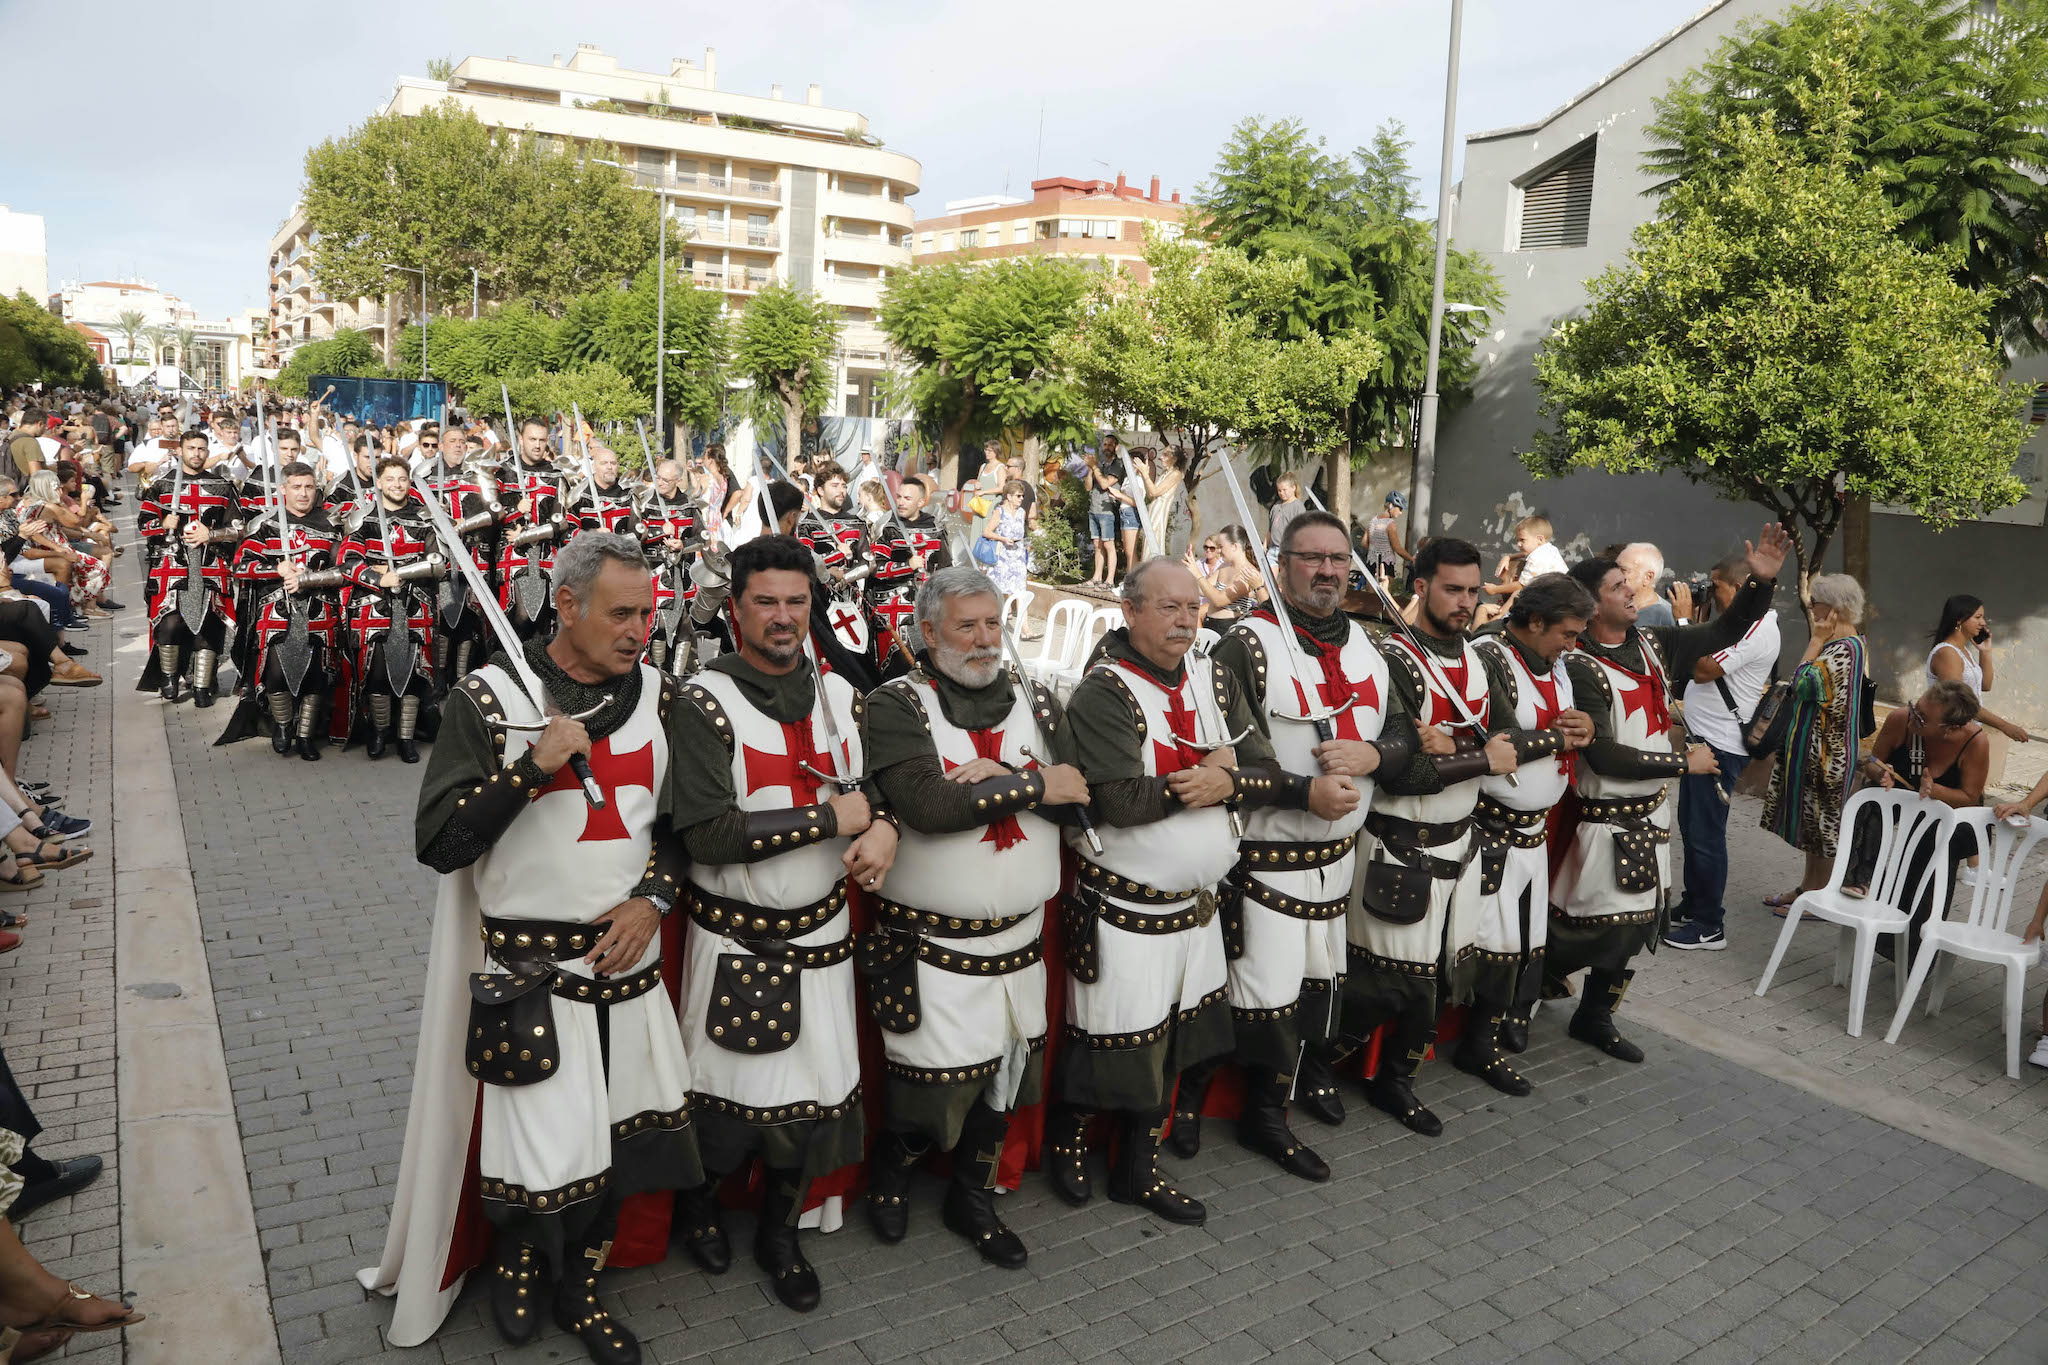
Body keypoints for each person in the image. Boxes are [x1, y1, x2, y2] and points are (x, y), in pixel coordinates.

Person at [365, 532, 699, 1360]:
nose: (640, 629)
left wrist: (653, 899)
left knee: (621, 1138)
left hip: (628, 962)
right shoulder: (487, 699)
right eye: (621, 613)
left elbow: (680, 825)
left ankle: (581, 1282)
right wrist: (531, 768)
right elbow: (440, 843)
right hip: (530, 973)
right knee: (538, 1150)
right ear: (568, 606)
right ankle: (520, 1262)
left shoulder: (661, 694)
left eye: (648, 612)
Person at [1044, 557, 1319, 1226]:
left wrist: (1230, 778)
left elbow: (1262, 768)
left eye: (1192, 607)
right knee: (1113, 1036)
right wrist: (1206, 775)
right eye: (1167, 607)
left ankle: (1140, 1167)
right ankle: (1069, 1144)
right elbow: (1118, 799)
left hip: (1197, 909)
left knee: (1172, 1042)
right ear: (1129, 610)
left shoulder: (1212, 675)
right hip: (1126, 907)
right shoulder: (1104, 691)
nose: (1185, 619)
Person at [669, 534, 889, 1313]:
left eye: (798, 601)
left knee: (813, 1098)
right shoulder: (703, 699)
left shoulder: (841, 690)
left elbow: (879, 786)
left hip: (824, 937)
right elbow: (706, 834)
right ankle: (698, 1208)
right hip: (737, 941)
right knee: (724, 1101)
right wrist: (829, 816)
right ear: (735, 609)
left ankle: (780, 1230)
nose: (784, 616)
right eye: (766, 601)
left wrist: (883, 824)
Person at [860, 567, 1088, 1266]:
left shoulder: (1040, 702)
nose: (986, 639)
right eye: (967, 625)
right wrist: (1028, 783)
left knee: (1003, 1081)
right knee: (930, 1086)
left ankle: (972, 1194)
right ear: (928, 632)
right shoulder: (896, 703)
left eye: (994, 623)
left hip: (1020, 942)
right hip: (931, 947)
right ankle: (891, 1177)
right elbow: (929, 808)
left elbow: (1080, 797)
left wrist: (1005, 782)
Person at [1206, 512, 1406, 1179]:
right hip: (1267, 861)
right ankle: (1259, 1117)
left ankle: (1293, 1090)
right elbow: (1232, 762)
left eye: (1337, 558)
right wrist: (1303, 794)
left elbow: (1406, 742)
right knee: (1263, 996)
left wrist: (1374, 751)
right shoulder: (1246, 644)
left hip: (1338, 861)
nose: (1326, 571)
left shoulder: (1370, 647)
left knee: (1318, 988)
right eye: (1311, 558)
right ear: (1280, 562)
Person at [1554, 526, 1788, 1063]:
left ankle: (1596, 1016)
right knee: (1581, 927)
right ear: (1589, 605)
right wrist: (1683, 763)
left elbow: (1727, 628)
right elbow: (1604, 753)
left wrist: (1761, 582)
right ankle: (1523, 1000)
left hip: (1648, 820)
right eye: (1618, 587)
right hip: (1599, 820)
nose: (1634, 593)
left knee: (1634, 929)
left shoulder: (1652, 645)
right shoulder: (1577, 664)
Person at [1347, 538, 1537, 1134]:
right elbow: (1402, 770)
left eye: (1472, 590)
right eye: (1452, 589)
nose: (1464, 602)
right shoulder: (1392, 657)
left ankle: (1397, 1082)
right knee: (1384, 983)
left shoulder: (1480, 660)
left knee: (1435, 975)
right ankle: (1320, 1067)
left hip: (1462, 841)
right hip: (1399, 841)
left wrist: (1454, 745)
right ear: (1421, 586)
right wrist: (1481, 755)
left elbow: (1514, 740)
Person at [1469, 574, 1597, 1056]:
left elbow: (1574, 723)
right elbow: (1497, 737)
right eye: (1567, 633)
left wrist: (1584, 725)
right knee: (1490, 940)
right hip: (1492, 829)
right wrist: (1561, 739)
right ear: (1536, 620)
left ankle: (1500, 1029)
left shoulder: (1555, 662)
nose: (1572, 644)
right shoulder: (1489, 654)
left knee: (1524, 937)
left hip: (1534, 830)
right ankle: (1477, 1043)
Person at [1667, 552, 1783, 950]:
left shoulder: (1756, 628)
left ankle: (1709, 924)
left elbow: (1700, 669)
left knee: (1706, 836)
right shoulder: (1738, 625)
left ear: (1739, 588)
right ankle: (1692, 902)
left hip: (1719, 747)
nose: (1710, 593)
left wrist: (1683, 621)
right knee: (1691, 827)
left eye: (1716, 587)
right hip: (1705, 740)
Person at [1762, 573, 1875, 907]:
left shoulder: (1842, 650)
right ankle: (1806, 889)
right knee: (1813, 829)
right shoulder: (1847, 645)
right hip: (1819, 751)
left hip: (1827, 754)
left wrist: (1813, 642)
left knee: (1823, 830)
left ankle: (1818, 898)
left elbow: (1801, 684)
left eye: (1816, 604)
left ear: (1835, 609)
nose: (1811, 609)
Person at [219, 462, 343, 760]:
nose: (303, 493)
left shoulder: (332, 524)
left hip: (319, 609)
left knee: (316, 675)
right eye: (297, 487)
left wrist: (312, 577)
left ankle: (305, 735)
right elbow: (242, 567)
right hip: (276, 611)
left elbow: (345, 568)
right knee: (274, 673)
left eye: (309, 487)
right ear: (283, 490)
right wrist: (277, 567)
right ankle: (283, 726)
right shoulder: (265, 525)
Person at [341, 457, 443, 762]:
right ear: (379, 483)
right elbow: (348, 561)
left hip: (414, 604)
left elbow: (438, 561)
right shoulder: (364, 518)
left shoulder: (424, 517)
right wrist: (377, 576)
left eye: (402, 479)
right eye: (391, 479)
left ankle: (406, 737)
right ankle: (379, 733)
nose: (397, 485)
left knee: (414, 674)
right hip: (374, 606)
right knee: (377, 674)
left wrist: (407, 571)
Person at [138, 429, 244, 705]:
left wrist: (212, 535)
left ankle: (202, 685)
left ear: (207, 452)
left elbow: (238, 528)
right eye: (191, 448)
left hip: (211, 564)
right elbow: (144, 523)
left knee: (209, 623)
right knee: (169, 621)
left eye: (201, 449)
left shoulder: (223, 485)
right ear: (181, 451)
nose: (196, 454)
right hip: (172, 564)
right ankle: (169, 678)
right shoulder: (162, 485)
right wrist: (163, 525)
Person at [495, 419, 569, 639]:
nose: (537, 445)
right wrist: (515, 510)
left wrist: (529, 534)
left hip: (547, 557)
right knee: (521, 617)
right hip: (514, 558)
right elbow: (491, 515)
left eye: (542, 440)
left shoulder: (556, 476)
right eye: (532, 439)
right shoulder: (503, 472)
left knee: (545, 623)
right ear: (520, 440)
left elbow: (562, 521)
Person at [866, 478, 946, 678]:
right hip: (895, 608)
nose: (900, 502)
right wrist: (906, 566)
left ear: (921, 502)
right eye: (899, 497)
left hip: (930, 606)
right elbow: (875, 568)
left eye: (907, 498)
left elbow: (947, 569)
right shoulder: (886, 527)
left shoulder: (935, 527)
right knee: (898, 669)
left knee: (932, 667)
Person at [1926, 594, 2030, 744]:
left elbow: (1985, 686)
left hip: (1968, 732)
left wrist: (1985, 652)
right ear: (1959, 619)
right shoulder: (1947, 654)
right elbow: (1959, 702)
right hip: (1949, 736)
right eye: (1978, 617)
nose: (1983, 622)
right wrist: (2005, 726)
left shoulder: (1963, 652)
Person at [1182, 525, 1266, 632]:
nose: (1219, 551)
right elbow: (1202, 590)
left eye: (1221, 546)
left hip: (1227, 629)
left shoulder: (1247, 573)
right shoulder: (1224, 566)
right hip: (1210, 623)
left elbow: (1219, 600)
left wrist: (1197, 573)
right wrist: (1190, 572)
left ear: (1234, 547)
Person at [1081, 437, 1130, 587]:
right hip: (1094, 509)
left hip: (1108, 511)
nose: (1107, 447)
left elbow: (1104, 484)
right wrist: (1090, 470)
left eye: (1110, 444)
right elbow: (1088, 487)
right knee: (1097, 544)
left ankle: (1109, 580)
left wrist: (1094, 467)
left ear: (1116, 447)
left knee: (1109, 545)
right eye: (1105, 444)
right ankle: (1097, 577)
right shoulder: (1100, 465)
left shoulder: (1118, 465)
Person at [1132, 446, 1185, 558]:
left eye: (1165, 455)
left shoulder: (1176, 473)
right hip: (1153, 511)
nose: (1161, 458)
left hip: (1159, 513)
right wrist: (1143, 474)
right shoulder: (1166, 472)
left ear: (1174, 458)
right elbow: (1151, 494)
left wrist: (1145, 474)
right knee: (1147, 545)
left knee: (1153, 546)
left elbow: (1154, 492)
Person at [1617, 542, 1684, 629]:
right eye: (1614, 568)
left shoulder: (1665, 617)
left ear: (1648, 577)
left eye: (1623, 570)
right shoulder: (1609, 609)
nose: (1614, 574)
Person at [984, 480, 1030, 600]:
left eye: (1022, 496)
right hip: (1003, 556)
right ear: (1009, 496)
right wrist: (1003, 539)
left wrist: (1027, 546)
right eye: (1018, 496)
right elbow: (987, 532)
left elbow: (1023, 532)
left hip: (1018, 556)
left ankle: (1022, 618)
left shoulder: (1022, 512)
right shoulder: (1000, 512)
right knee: (1001, 587)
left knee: (1020, 590)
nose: (1021, 499)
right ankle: (1005, 613)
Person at [1364, 491, 1412, 581]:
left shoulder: (1373, 521)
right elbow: (1397, 548)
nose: (1401, 512)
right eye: (1400, 509)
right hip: (1386, 564)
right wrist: (1412, 559)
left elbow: (1364, 543)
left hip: (1371, 563)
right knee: (1385, 593)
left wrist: (1374, 550)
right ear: (1391, 506)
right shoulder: (1390, 524)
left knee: (1370, 594)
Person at [1267, 472, 1306, 553]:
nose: (1281, 493)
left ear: (1293, 488)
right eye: (1279, 490)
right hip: (1272, 549)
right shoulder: (1276, 506)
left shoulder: (1298, 506)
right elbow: (1270, 529)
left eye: (1284, 490)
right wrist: (1265, 545)